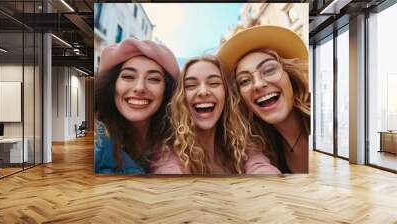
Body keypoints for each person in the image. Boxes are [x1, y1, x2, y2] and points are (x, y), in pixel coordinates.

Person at [151, 55, 281, 174]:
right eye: (191, 85)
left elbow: (259, 166)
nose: (203, 92)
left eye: (214, 83)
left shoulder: (242, 144)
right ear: (181, 99)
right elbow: (168, 174)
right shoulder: (168, 153)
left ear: (226, 96)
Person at [217, 25, 310, 173]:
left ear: (290, 77)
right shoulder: (260, 144)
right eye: (245, 81)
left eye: (269, 70)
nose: (258, 84)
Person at [94, 38, 179, 174]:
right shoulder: (97, 140)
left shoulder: (179, 144)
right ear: (112, 84)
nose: (140, 88)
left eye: (153, 79)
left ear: (167, 91)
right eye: (128, 77)